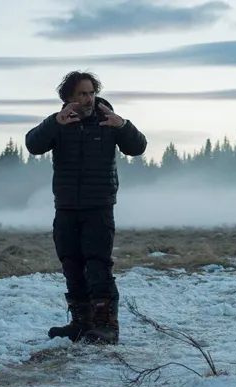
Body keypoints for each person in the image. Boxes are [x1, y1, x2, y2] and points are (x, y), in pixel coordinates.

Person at [25, 70, 147, 345]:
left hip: (99, 206)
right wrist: (54, 123)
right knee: (71, 263)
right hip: (66, 206)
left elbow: (138, 147)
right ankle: (81, 324)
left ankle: (106, 326)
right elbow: (33, 145)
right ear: (69, 97)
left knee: (98, 264)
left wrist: (122, 125)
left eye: (91, 92)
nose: (88, 98)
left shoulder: (108, 120)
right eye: (82, 94)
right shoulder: (59, 122)